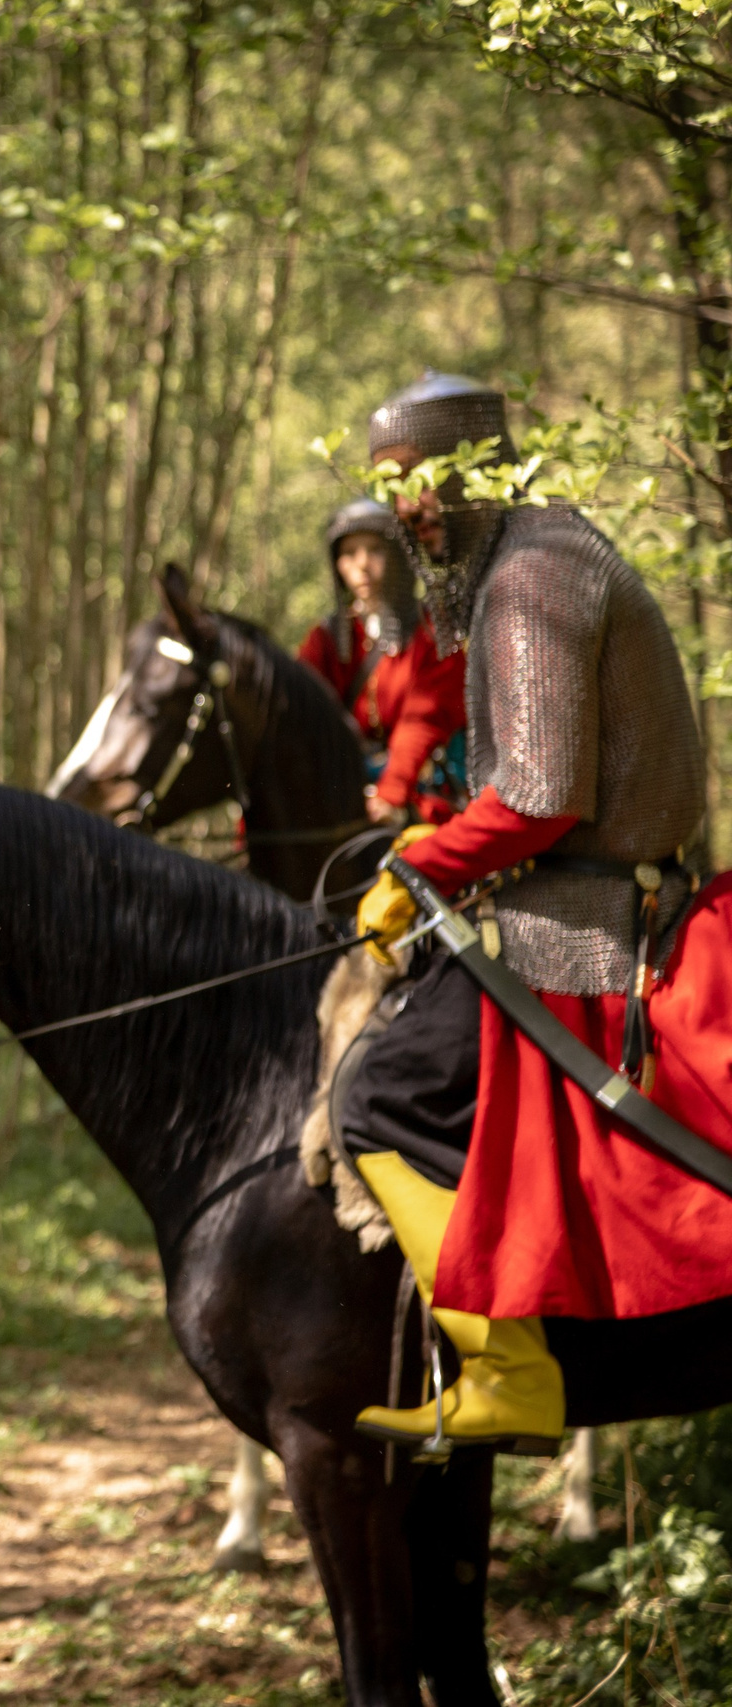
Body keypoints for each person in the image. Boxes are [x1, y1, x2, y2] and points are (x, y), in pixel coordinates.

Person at [341, 370, 727, 1453]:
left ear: (476, 469)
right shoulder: (541, 553)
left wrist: (422, 867)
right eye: (388, 484)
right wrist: (431, 850)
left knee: (377, 1094)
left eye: (418, 478)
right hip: (571, 899)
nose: (406, 506)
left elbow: (542, 796)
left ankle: (508, 1370)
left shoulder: (531, 575)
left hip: (583, 927)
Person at [295, 495, 467, 825]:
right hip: (351, 791)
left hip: (426, 795)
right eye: (349, 553)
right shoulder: (328, 638)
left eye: (375, 549)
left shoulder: (434, 633)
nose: (361, 564)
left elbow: (423, 720)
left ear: (398, 555)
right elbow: (297, 711)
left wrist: (392, 791)